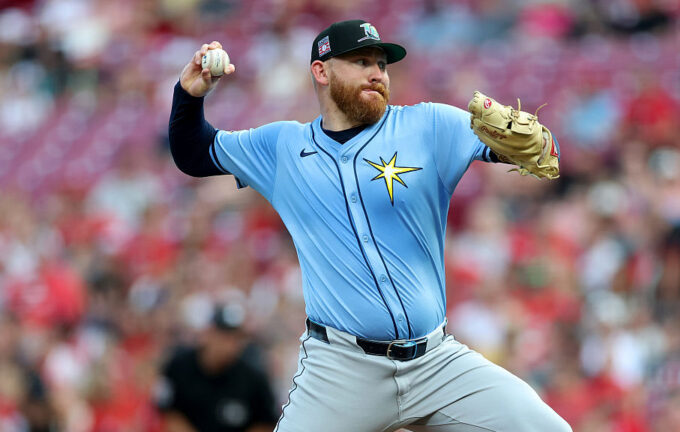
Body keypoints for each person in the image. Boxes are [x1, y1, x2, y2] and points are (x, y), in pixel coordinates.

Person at [168, 19, 571, 432]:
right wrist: (189, 95)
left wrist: (540, 143)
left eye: (382, 63)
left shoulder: (429, 126)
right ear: (321, 71)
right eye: (361, 61)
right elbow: (193, 153)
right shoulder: (281, 148)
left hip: (436, 363)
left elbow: (541, 151)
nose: (377, 73)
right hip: (342, 372)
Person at [154, 302, 278, 432]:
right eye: (224, 336)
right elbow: (168, 412)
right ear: (208, 333)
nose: (230, 345)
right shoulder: (179, 367)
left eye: (236, 339)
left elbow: (266, 422)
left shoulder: (253, 378)